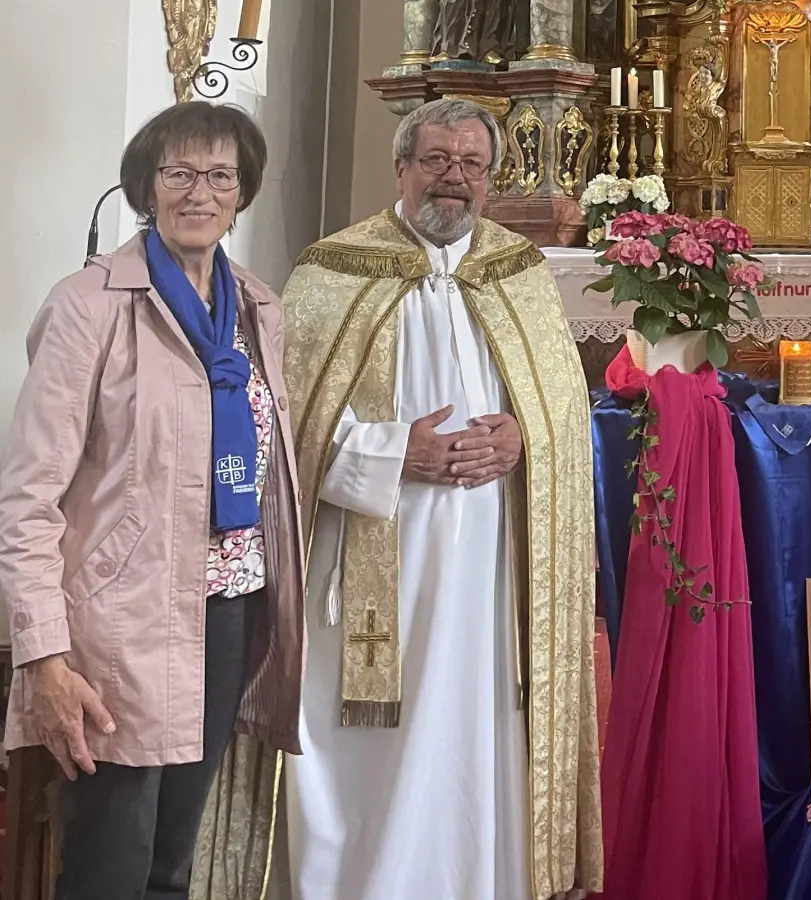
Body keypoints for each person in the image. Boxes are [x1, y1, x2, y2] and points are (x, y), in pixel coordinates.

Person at [276, 98, 602, 900]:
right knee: (368, 745)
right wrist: (395, 451)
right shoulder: (332, 269)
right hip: (370, 546)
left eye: (471, 165)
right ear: (401, 169)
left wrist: (525, 439)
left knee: (472, 726)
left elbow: (562, 411)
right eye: (436, 161)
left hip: (489, 556)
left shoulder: (518, 271)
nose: (453, 180)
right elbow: (290, 419)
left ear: (492, 178)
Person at [0, 102, 306, 899]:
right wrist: (44, 654)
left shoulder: (257, 306)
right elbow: (28, 496)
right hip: (118, 625)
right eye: (178, 173)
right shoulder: (90, 304)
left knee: (173, 866)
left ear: (242, 193)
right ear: (146, 186)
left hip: (226, 610)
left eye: (218, 176)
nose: (198, 192)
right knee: (110, 866)